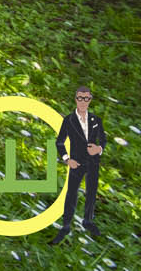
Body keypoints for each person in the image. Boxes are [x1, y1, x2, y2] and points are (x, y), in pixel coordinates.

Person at [50, 87, 106, 243]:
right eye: (80, 98)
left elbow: (103, 140)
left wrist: (99, 149)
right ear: (76, 99)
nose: (83, 102)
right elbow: (59, 142)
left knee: (91, 191)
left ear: (90, 100)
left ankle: (88, 221)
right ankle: (66, 224)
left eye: (86, 99)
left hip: (93, 162)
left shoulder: (96, 120)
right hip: (76, 161)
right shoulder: (68, 120)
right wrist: (67, 159)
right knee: (71, 192)